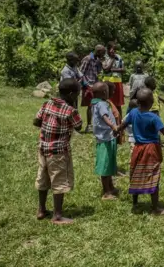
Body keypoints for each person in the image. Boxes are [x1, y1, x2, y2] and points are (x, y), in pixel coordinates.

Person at [33, 78, 83, 225]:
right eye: (77, 94)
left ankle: (41, 210)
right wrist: (73, 107)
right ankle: (58, 215)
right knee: (59, 180)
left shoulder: (47, 103)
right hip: (59, 151)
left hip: (43, 148)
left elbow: (36, 121)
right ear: (72, 94)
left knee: (43, 177)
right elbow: (79, 126)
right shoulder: (70, 110)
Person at [90, 82, 120, 200]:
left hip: (107, 137)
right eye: (107, 91)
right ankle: (106, 192)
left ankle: (111, 187)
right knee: (105, 165)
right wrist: (114, 127)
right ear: (104, 93)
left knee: (110, 164)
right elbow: (105, 117)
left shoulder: (95, 103)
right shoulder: (101, 104)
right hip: (105, 139)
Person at [79, 45, 106, 133]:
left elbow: (97, 72)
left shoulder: (97, 60)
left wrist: (100, 64)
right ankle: (89, 125)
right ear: (98, 52)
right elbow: (81, 73)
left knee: (96, 105)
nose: (104, 55)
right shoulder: (87, 59)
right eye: (103, 53)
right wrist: (86, 84)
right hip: (88, 85)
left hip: (95, 85)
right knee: (90, 106)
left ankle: (95, 124)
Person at [103, 41, 125, 120]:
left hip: (117, 83)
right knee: (107, 103)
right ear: (108, 49)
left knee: (118, 105)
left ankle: (120, 122)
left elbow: (123, 70)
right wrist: (112, 59)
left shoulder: (119, 57)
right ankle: (109, 122)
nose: (114, 51)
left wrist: (112, 69)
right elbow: (105, 69)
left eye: (115, 50)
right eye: (113, 49)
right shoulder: (104, 57)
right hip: (107, 83)